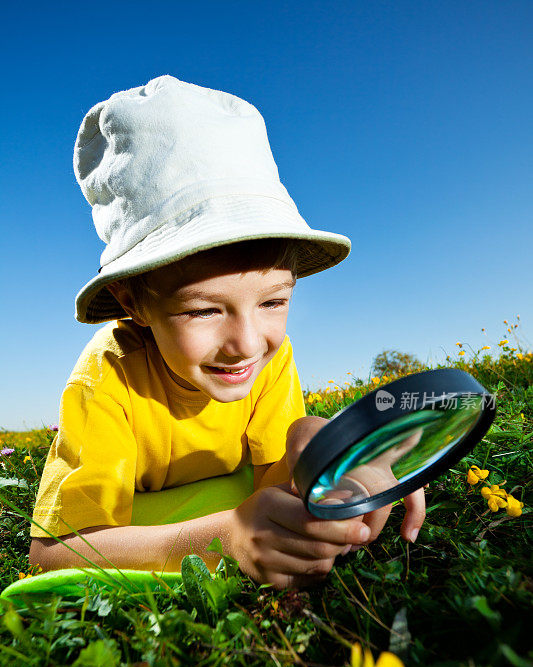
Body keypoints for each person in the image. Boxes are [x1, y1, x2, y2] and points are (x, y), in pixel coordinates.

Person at [28, 75, 425, 589]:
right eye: (203, 311)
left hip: (220, 499)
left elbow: (274, 484)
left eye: (274, 301)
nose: (248, 342)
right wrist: (226, 539)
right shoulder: (108, 380)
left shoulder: (268, 358)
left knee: (305, 435)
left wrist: (319, 450)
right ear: (133, 303)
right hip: (143, 528)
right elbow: (53, 551)